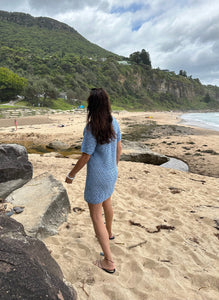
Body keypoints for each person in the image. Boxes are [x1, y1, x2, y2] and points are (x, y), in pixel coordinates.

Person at [65, 88, 122, 274]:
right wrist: (113, 166)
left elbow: (85, 156)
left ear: (91, 106)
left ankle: (109, 261)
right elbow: (119, 148)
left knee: (96, 216)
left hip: (97, 178)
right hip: (111, 172)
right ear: (106, 104)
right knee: (107, 202)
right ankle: (110, 233)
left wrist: (71, 174)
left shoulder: (91, 128)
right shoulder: (115, 123)